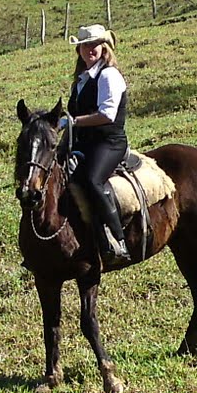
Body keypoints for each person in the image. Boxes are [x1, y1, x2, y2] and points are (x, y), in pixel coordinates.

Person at [60, 23, 131, 265]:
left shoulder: (109, 75)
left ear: (104, 48)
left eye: (95, 45)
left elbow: (107, 115)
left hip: (109, 143)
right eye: (85, 45)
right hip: (85, 143)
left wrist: (72, 122)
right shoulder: (80, 80)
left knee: (91, 179)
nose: (90, 49)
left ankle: (117, 240)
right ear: (78, 49)